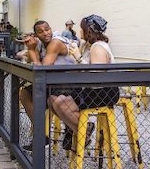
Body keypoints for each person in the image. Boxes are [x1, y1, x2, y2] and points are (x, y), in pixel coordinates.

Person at [48, 15, 120, 144]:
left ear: (89, 31)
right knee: (51, 99)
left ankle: (82, 129)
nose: (79, 31)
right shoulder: (88, 45)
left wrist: (78, 57)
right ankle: (80, 130)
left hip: (102, 92)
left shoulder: (98, 47)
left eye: (82, 29)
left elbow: (96, 74)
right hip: (90, 90)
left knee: (59, 102)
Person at [17, 20, 81, 150]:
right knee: (24, 93)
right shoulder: (41, 44)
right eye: (40, 32)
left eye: (47, 29)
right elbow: (28, 59)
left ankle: (75, 127)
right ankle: (41, 134)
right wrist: (31, 48)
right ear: (36, 35)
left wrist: (31, 50)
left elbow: (41, 70)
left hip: (68, 85)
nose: (45, 33)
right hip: (53, 84)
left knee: (45, 97)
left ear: (51, 29)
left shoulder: (55, 43)